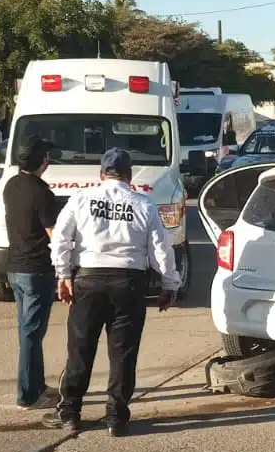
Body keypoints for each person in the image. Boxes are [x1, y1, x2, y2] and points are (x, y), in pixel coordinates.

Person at [44, 147, 180, 437]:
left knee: (80, 350)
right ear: (129, 176)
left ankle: (69, 413)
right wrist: (170, 283)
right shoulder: (143, 204)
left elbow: (60, 239)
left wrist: (63, 274)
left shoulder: (81, 198)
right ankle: (116, 418)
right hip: (129, 285)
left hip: (88, 282)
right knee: (123, 354)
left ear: (101, 174)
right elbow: (161, 250)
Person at [3, 136, 60, 409]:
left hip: (15, 268)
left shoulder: (11, 186)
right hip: (37, 270)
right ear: (44, 162)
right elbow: (53, 234)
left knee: (28, 332)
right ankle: (27, 395)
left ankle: (36, 385)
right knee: (32, 333)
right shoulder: (42, 193)